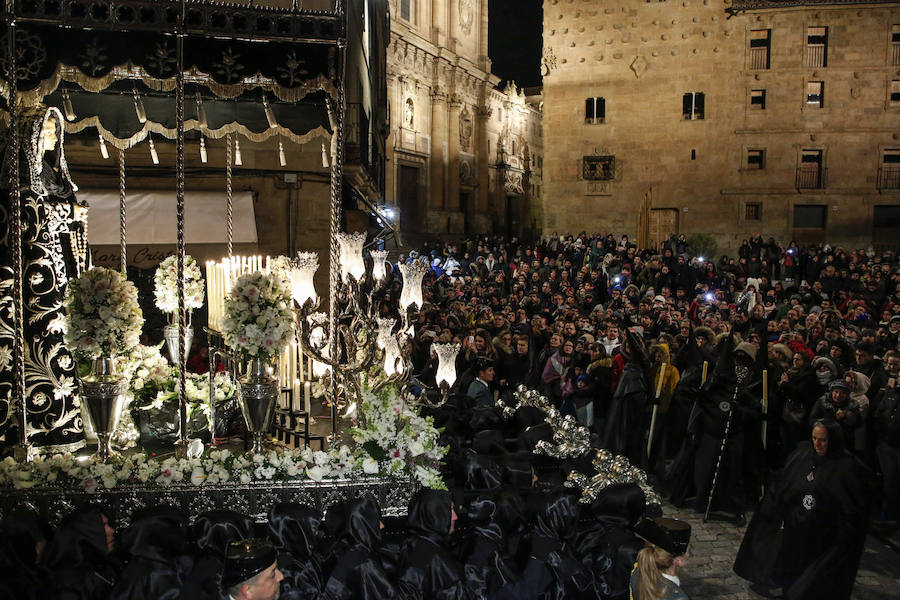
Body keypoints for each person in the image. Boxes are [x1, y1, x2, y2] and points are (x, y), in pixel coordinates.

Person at [0, 106, 87, 450]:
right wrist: (68, 212)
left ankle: (62, 425)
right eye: (46, 132)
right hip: (32, 278)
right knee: (39, 340)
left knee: (58, 342)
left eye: (55, 133)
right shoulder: (18, 175)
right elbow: (27, 216)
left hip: (55, 270)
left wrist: (72, 216)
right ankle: (32, 429)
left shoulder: (50, 176)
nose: (52, 139)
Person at [733, 420, 871, 600]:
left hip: (821, 531)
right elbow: (787, 481)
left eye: (823, 440)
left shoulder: (846, 466)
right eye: (814, 438)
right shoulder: (803, 453)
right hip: (797, 523)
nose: (818, 444)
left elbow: (851, 506)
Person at [630, 517, 692, 600]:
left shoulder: (637, 572)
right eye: (688, 551)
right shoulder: (678, 597)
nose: (689, 554)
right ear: (678, 561)